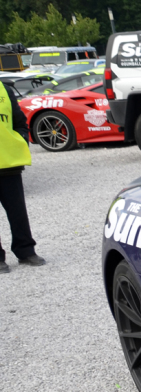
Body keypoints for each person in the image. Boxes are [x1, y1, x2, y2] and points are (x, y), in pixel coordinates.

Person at [0, 79, 41, 271]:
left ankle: (26, 251)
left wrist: (22, 139)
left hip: (8, 162)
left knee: (18, 212)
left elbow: (19, 121)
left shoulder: (4, 89)